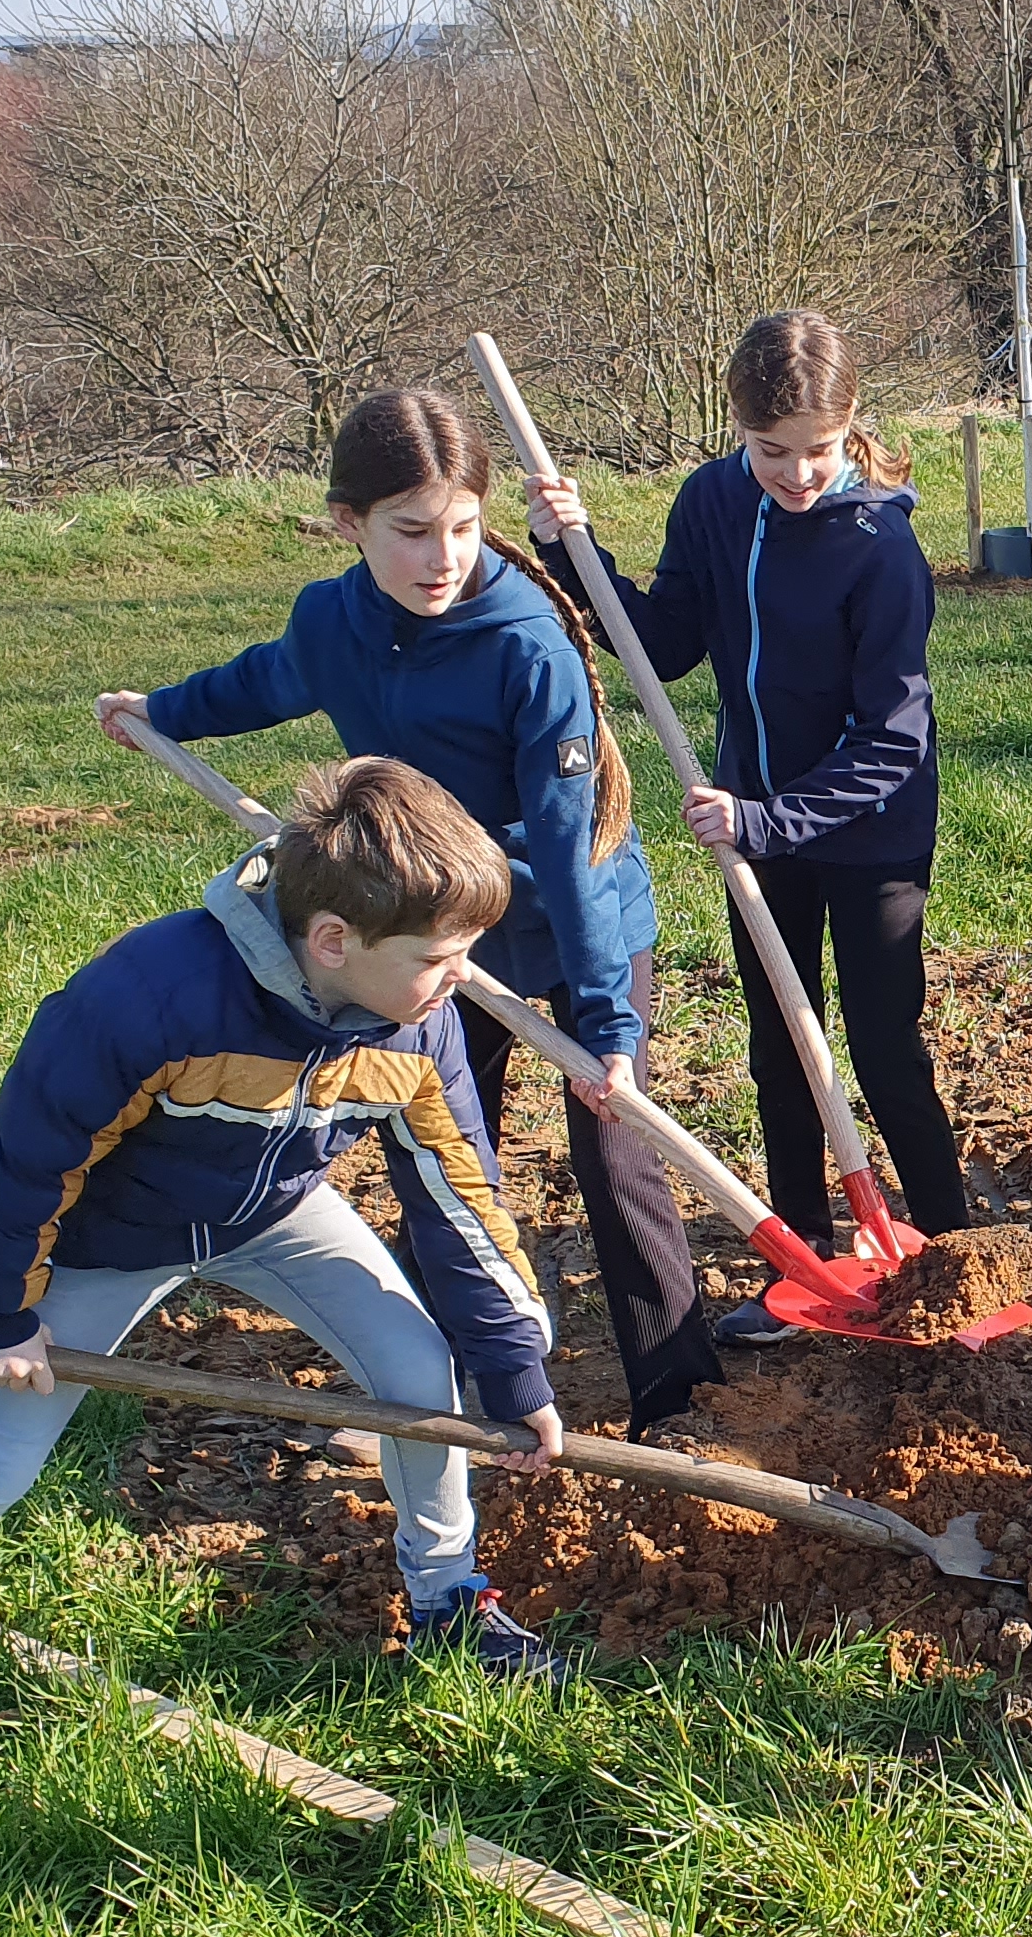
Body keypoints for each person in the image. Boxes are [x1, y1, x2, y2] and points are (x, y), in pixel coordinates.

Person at [0, 759, 572, 1820]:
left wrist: (512, 1366)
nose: (465, 978)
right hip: (111, 1238)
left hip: (275, 1217)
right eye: (441, 958)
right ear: (333, 942)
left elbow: (459, 1193)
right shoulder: (154, 995)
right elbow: (30, 1159)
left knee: (420, 1378)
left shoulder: (417, 1024)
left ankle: (449, 1601)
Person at [101, 389, 720, 1428]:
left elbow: (568, 849)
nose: (444, 558)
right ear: (350, 523)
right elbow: (268, 679)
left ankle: (679, 1389)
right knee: (439, 1150)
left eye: (467, 528)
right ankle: (466, 1378)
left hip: (568, 923)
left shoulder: (528, 646)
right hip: (426, 938)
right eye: (413, 531)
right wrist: (161, 713)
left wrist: (608, 1025)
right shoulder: (333, 620)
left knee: (614, 1150)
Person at [527, 310, 966, 1345]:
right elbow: (665, 644)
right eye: (773, 452)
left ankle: (953, 1252)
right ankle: (801, 1261)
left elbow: (893, 740)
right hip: (754, 832)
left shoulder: (879, 544)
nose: (799, 474)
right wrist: (571, 552)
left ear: (850, 425)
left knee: (882, 1046)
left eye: (818, 450)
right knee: (780, 1047)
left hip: (866, 835)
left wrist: (775, 816)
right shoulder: (715, 504)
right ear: (737, 429)